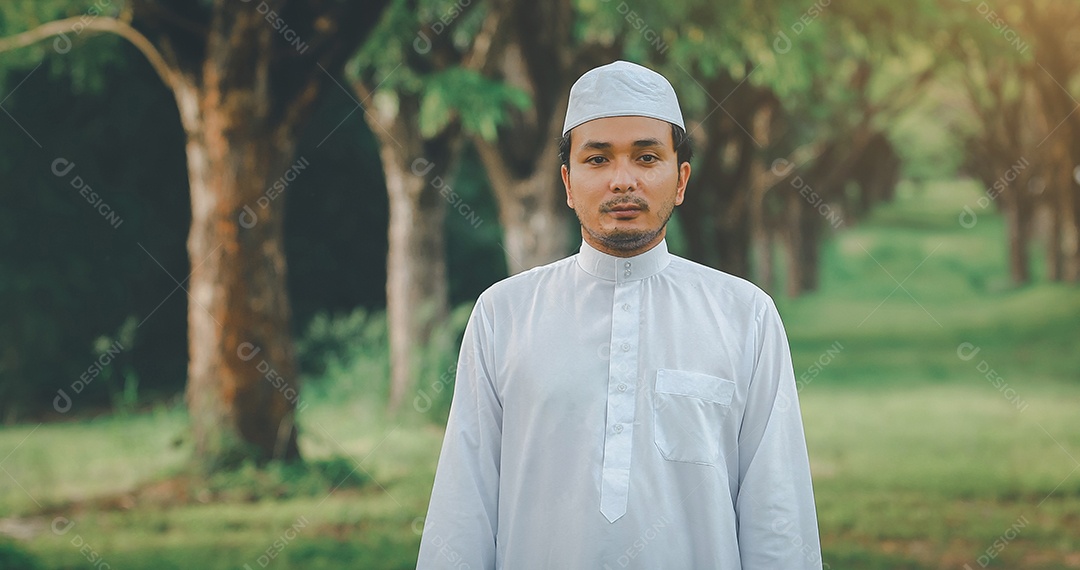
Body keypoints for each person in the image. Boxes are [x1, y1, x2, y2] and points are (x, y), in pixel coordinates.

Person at [417, 60, 822, 569]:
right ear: (567, 183)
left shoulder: (746, 317)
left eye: (647, 157)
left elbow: (777, 515)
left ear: (680, 180)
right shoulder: (505, 314)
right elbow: (464, 506)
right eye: (598, 159)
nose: (622, 180)